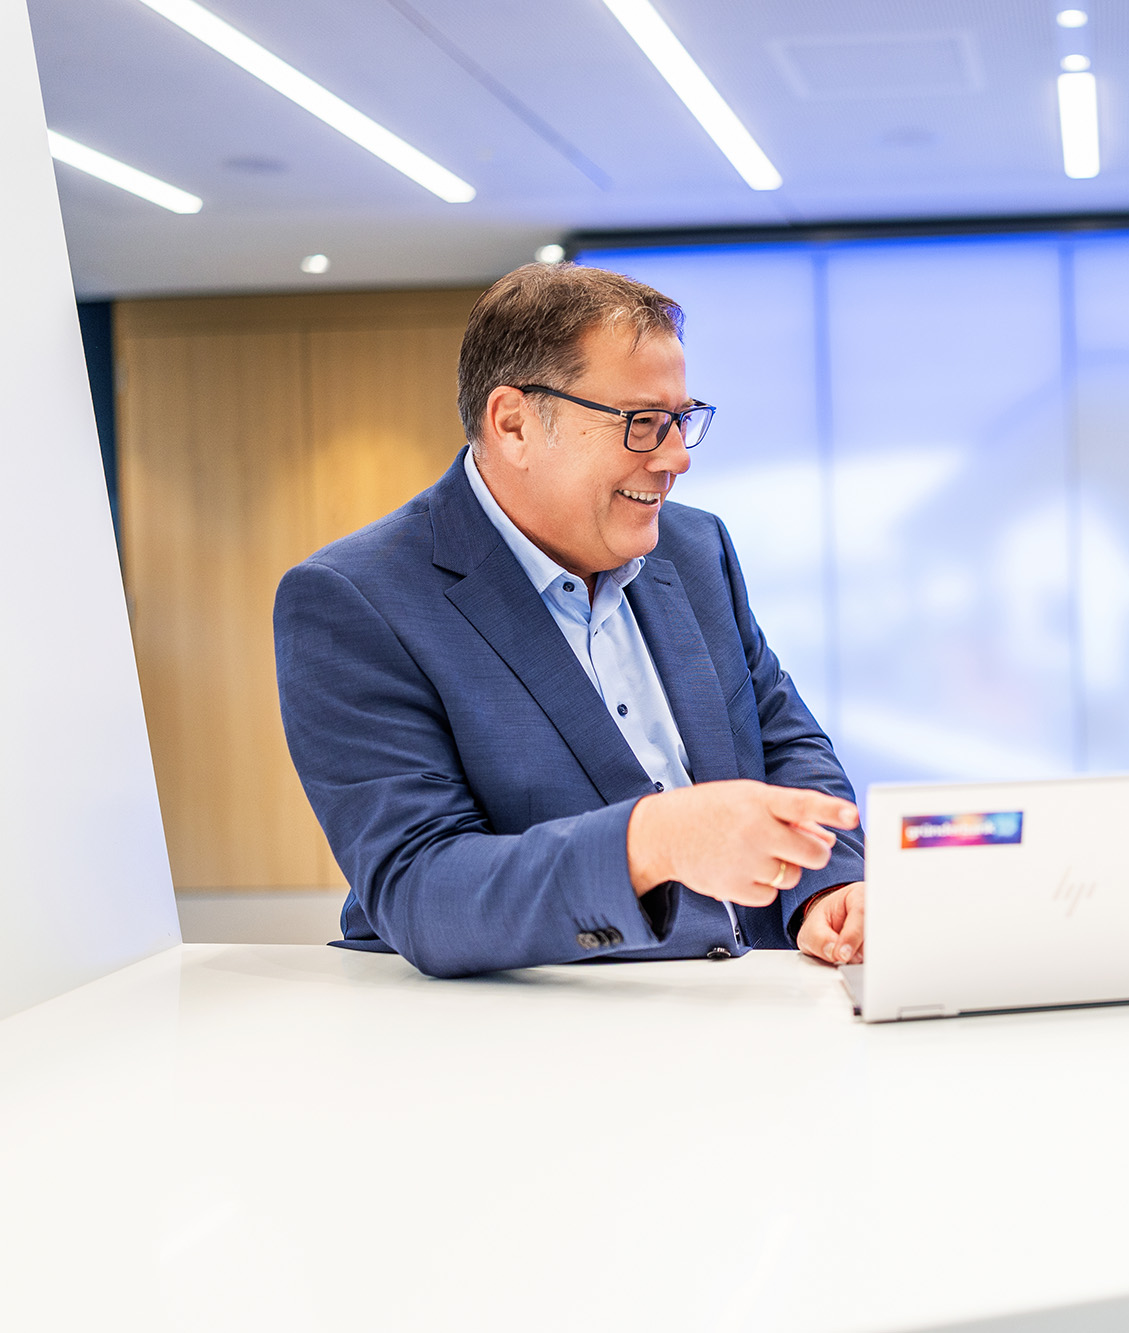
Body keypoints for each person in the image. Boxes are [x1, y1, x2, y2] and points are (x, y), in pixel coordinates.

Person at [274, 263, 866, 978]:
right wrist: (651, 842)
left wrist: (828, 884)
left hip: (748, 1005)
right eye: (643, 423)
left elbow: (784, 740)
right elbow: (424, 889)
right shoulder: (353, 599)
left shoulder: (696, 546)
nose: (676, 456)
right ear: (515, 424)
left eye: (682, 420)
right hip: (523, 1042)